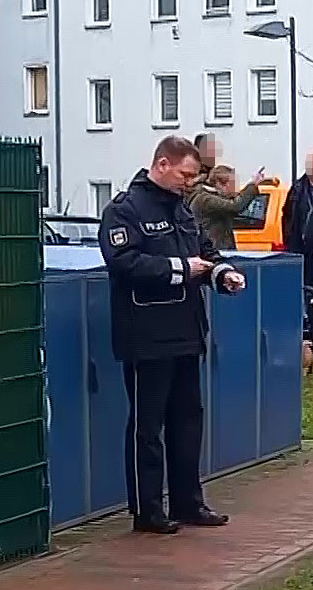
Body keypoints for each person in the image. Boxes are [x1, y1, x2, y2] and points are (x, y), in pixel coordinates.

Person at [98, 135, 246, 534]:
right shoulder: (125, 210)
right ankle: (147, 509)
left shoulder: (183, 210)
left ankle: (188, 501)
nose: (189, 182)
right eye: (184, 174)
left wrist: (222, 273)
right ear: (162, 165)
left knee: (188, 419)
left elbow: (206, 252)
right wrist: (183, 268)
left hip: (187, 329)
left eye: (194, 176)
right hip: (146, 334)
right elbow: (125, 263)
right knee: (148, 426)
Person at [186, 163, 268, 251]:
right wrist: (252, 185)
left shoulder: (208, 196)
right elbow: (235, 206)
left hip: (217, 248)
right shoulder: (205, 199)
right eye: (232, 184)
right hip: (212, 250)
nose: (235, 188)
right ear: (219, 184)